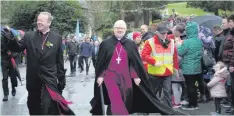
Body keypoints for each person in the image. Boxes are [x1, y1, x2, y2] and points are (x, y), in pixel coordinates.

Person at [89, 20, 184, 115]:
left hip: (126, 78)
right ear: (113, 29)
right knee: (114, 99)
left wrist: (136, 76)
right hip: (111, 77)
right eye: (117, 28)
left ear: (125, 30)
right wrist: (101, 75)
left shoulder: (130, 44)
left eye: (122, 28)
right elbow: (101, 62)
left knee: (126, 100)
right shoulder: (106, 43)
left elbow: (134, 63)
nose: (119, 30)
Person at [1, 12, 74, 115]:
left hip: (49, 79)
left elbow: (59, 60)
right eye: (38, 20)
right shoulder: (29, 36)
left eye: (42, 21)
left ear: (49, 22)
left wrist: (61, 78)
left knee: (48, 107)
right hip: (33, 79)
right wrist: (11, 39)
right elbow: (17, 48)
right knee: (33, 107)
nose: (39, 22)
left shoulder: (56, 37)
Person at [141, 25, 179, 108]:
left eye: (165, 33)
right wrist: (154, 62)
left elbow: (174, 56)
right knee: (151, 94)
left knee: (168, 94)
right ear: (157, 33)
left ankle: (168, 113)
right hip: (155, 73)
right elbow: (144, 55)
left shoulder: (171, 42)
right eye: (162, 33)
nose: (164, 35)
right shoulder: (150, 42)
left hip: (167, 72)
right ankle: (144, 112)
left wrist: (176, 69)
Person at [177, 22, 203, 110]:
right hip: (197, 67)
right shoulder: (199, 41)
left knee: (190, 86)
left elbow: (180, 52)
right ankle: (195, 103)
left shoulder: (187, 42)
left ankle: (192, 105)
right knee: (195, 86)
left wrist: (179, 45)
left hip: (188, 67)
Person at [221, 13, 234, 114]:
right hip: (229, 61)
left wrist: (232, 64)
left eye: (230, 22)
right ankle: (232, 105)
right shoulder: (230, 32)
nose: (229, 24)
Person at [1, 27, 18, 101]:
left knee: (13, 77)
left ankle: (13, 88)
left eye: (8, 32)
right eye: (5, 32)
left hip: (12, 60)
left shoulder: (13, 39)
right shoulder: (1, 40)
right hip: (4, 60)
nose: (7, 34)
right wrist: (5, 50)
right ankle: (6, 94)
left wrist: (12, 54)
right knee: (5, 78)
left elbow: (18, 50)